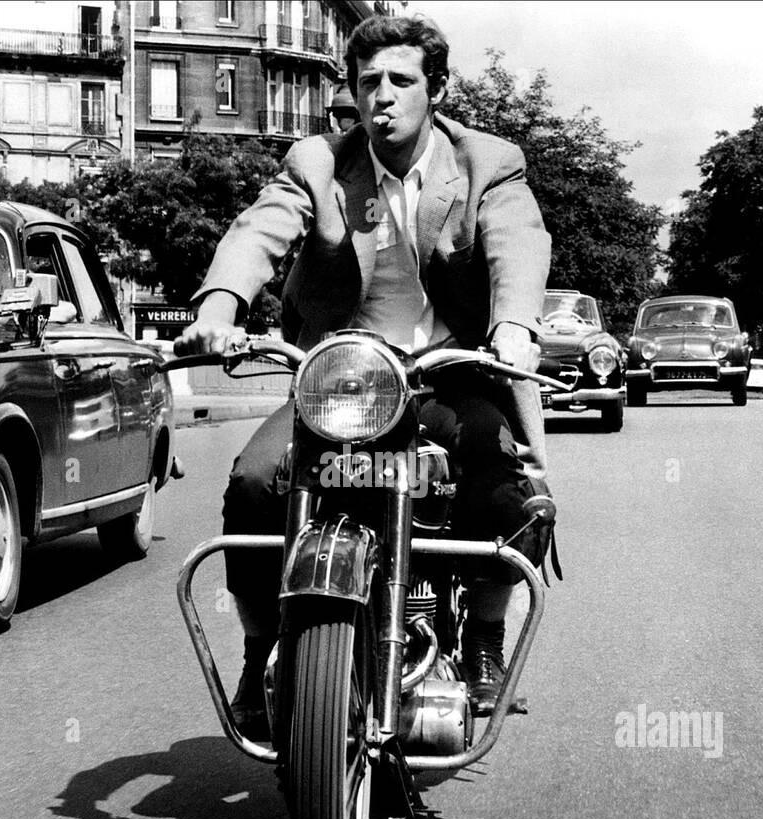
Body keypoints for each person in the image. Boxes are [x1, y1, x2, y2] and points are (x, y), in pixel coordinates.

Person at [174, 14, 552, 737]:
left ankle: (482, 642)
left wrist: (513, 328)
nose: (382, 96)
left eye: (401, 80)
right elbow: (259, 230)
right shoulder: (320, 162)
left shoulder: (485, 162)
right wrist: (219, 308)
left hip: (450, 374)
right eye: (368, 80)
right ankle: (260, 651)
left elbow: (516, 243)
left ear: (435, 89)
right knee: (256, 485)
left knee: (504, 484)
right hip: (342, 383)